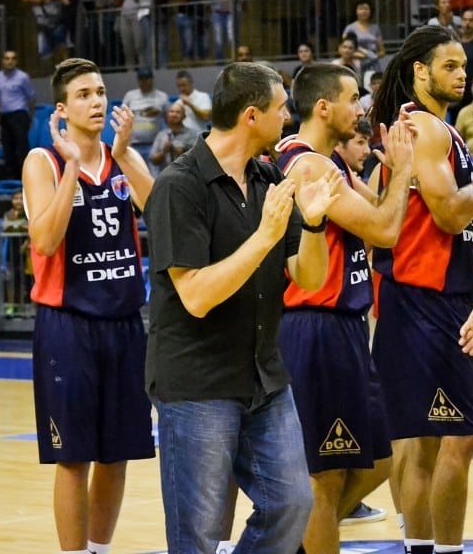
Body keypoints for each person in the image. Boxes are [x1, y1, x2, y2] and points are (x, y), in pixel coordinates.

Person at [144, 61, 341, 554]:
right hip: (197, 385)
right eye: (280, 110)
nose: (288, 120)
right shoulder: (179, 186)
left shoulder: (267, 176)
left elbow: (309, 277)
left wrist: (314, 226)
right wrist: (264, 237)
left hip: (263, 379)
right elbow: (195, 295)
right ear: (252, 116)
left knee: (293, 504)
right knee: (199, 535)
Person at [368, 25, 473, 554]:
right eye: (449, 66)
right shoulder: (425, 128)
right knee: (453, 438)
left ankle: (423, 548)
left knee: (427, 443)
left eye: (464, 66)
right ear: (420, 71)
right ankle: (445, 550)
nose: (462, 75)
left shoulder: (442, 130)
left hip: (435, 296)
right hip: (426, 299)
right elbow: (450, 211)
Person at [276, 63, 415, 554]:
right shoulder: (308, 164)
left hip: (344, 327)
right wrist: (405, 172)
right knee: (325, 477)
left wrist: (393, 168)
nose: (360, 108)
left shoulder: (329, 161)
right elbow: (383, 230)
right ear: (323, 107)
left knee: (379, 455)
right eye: (353, 97)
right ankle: (304, 533)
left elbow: (375, 214)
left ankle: (302, 536)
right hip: (315, 325)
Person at [22, 57, 155, 554]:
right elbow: (46, 240)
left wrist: (122, 157)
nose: (97, 101)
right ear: (62, 108)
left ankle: (100, 549)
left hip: (123, 323)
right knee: (73, 457)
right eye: (83, 94)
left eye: (100, 91)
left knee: (116, 454)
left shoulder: (124, 158)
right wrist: (73, 167)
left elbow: (161, 214)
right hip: (68, 325)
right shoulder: (43, 162)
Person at [0, 50, 35, 177]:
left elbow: (31, 98)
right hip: (5, 115)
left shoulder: (23, 77)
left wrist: (30, 117)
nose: (10, 61)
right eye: (7, 58)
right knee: (7, 147)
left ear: (16, 61)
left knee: (22, 147)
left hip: (19, 114)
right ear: (2, 60)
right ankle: (11, 176)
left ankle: (26, 176)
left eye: (13, 58)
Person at [130, 0, 173, 69]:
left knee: (162, 42)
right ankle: (150, 69)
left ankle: (163, 68)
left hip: (161, 13)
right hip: (145, 13)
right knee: (149, 42)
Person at [20, 0, 67, 64]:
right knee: (44, 49)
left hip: (56, 17)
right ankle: (51, 72)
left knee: (61, 44)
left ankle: (67, 68)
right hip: (41, 20)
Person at [122, 67, 170, 162]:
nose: (144, 82)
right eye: (141, 79)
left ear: (152, 79)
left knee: (155, 175)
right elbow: (122, 118)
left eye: (147, 79)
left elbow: (169, 120)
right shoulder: (130, 96)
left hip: (155, 145)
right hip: (134, 145)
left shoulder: (162, 97)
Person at [149, 101, 198, 176]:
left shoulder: (192, 134)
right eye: (171, 112)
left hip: (186, 176)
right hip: (164, 177)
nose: (174, 114)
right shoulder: (161, 135)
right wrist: (163, 152)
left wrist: (176, 150)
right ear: (167, 115)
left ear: (184, 116)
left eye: (178, 112)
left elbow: (195, 159)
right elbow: (153, 160)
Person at [342, 0, 386, 74]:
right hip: (356, 64)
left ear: (370, 11)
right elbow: (343, 48)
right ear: (356, 11)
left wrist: (373, 56)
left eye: (366, 9)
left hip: (374, 65)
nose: (363, 11)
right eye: (360, 9)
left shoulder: (375, 28)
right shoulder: (350, 28)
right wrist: (362, 56)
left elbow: (382, 51)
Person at [174, 69, 212, 134]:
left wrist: (190, 105)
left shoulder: (203, 96)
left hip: (199, 137)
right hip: (183, 139)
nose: (181, 89)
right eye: (179, 86)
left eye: (183, 85)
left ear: (191, 83)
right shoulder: (178, 102)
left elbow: (206, 117)